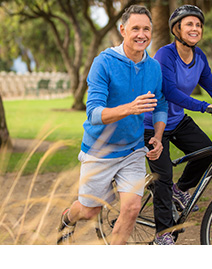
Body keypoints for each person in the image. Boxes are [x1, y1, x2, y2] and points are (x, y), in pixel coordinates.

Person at [57, 5, 168, 245]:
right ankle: (68, 217)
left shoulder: (154, 68)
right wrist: (130, 107)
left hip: (133, 150)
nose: (141, 34)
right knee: (89, 211)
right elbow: (94, 113)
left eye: (146, 29)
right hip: (100, 150)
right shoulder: (104, 62)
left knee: (131, 208)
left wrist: (158, 135)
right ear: (122, 30)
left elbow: (160, 105)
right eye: (135, 28)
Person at [143, 5, 212, 245]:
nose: (195, 28)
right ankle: (163, 235)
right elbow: (169, 91)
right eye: (189, 24)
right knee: (162, 179)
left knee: (207, 152)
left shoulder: (199, 57)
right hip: (151, 124)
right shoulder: (164, 55)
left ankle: (179, 190)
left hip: (178, 120)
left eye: (198, 25)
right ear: (176, 29)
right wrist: (205, 107)